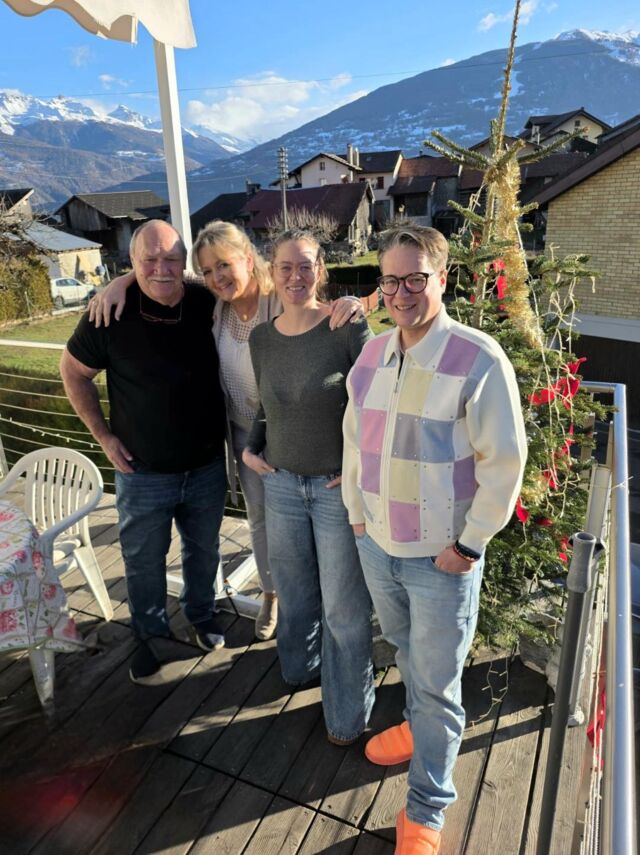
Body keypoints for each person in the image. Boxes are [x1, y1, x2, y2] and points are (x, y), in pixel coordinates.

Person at [342, 225, 527, 853]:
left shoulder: (478, 359)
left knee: (438, 686)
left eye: (416, 278)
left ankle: (426, 809)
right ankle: (417, 729)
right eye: (390, 280)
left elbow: (505, 462)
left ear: (442, 279)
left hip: (442, 559)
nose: (401, 292)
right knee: (406, 654)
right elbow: (354, 442)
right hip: (378, 547)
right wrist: (358, 519)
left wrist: (470, 545)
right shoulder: (371, 355)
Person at [89, 220, 362, 642]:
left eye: (225, 265)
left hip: (294, 432)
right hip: (241, 435)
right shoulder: (214, 305)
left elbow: (319, 310)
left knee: (312, 522)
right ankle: (272, 594)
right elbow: (163, 271)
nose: (218, 276)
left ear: (248, 261)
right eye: (209, 269)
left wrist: (351, 301)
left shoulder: (280, 299)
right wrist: (120, 282)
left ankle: (321, 606)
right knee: (260, 521)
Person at [60, 220, 228, 685]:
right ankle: (151, 638)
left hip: (207, 465)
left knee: (204, 551)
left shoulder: (205, 301)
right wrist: (102, 436)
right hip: (142, 471)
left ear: (185, 263)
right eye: (148, 260)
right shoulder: (108, 313)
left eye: (171, 259)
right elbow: (72, 372)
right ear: (131, 263)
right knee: (143, 562)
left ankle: (201, 615)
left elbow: (257, 285)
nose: (161, 268)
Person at [242, 228, 375, 745]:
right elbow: (266, 405)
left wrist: (359, 468)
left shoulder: (344, 327)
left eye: (306, 266)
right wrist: (251, 447)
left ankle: (348, 713)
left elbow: (375, 404)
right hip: (279, 484)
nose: (295, 276)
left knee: (342, 606)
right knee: (294, 593)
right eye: (285, 267)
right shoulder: (261, 338)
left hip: (335, 489)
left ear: (321, 270)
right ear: (271, 273)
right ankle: (300, 669)